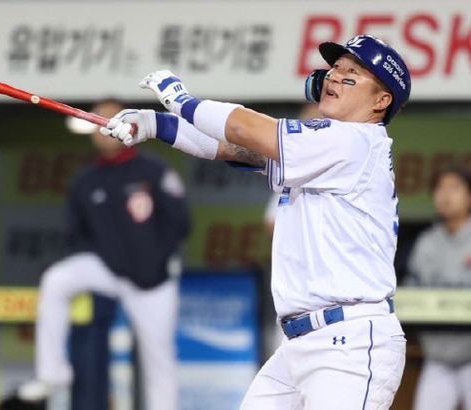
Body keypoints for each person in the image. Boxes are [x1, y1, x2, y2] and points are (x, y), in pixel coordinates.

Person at [102, 34, 410, 409]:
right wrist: (155, 124)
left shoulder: (355, 140)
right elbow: (234, 148)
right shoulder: (329, 145)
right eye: (334, 67)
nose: (333, 76)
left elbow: (244, 128)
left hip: (350, 345)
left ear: (381, 101)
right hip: (300, 345)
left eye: (351, 74)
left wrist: (181, 101)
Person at [20, 99, 191, 410]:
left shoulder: (153, 170)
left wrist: (156, 259)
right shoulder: (85, 179)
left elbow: (180, 222)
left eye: (113, 120)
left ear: (130, 126)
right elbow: (75, 234)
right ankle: (52, 373)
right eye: (98, 121)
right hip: (108, 270)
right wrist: (105, 259)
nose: (106, 127)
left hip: (153, 281)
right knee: (56, 280)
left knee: (159, 358)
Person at [405, 166, 471, 410]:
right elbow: (410, 296)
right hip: (437, 358)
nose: (445, 195)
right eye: (440, 188)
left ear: (469, 196)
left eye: (454, 188)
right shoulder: (426, 242)